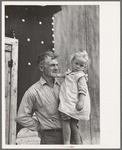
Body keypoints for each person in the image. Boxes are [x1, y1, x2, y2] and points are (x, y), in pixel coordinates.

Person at [16, 50, 64, 144]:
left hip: (71, 133)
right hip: (50, 138)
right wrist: (40, 126)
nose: (56, 68)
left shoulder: (64, 85)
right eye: (52, 65)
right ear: (41, 68)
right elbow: (21, 117)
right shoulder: (33, 91)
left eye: (57, 65)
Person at [58, 50, 91, 144]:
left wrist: (81, 101)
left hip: (73, 102)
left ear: (85, 67)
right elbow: (62, 76)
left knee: (66, 121)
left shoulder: (80, 76)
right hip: (69, 101)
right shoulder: (69, 74)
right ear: (72, 62)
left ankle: (67, 142)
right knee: (72, 124)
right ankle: (77, 143)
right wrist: (58, 75)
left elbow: (83, 90)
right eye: (76, 63)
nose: (78, 67)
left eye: (81, 65)